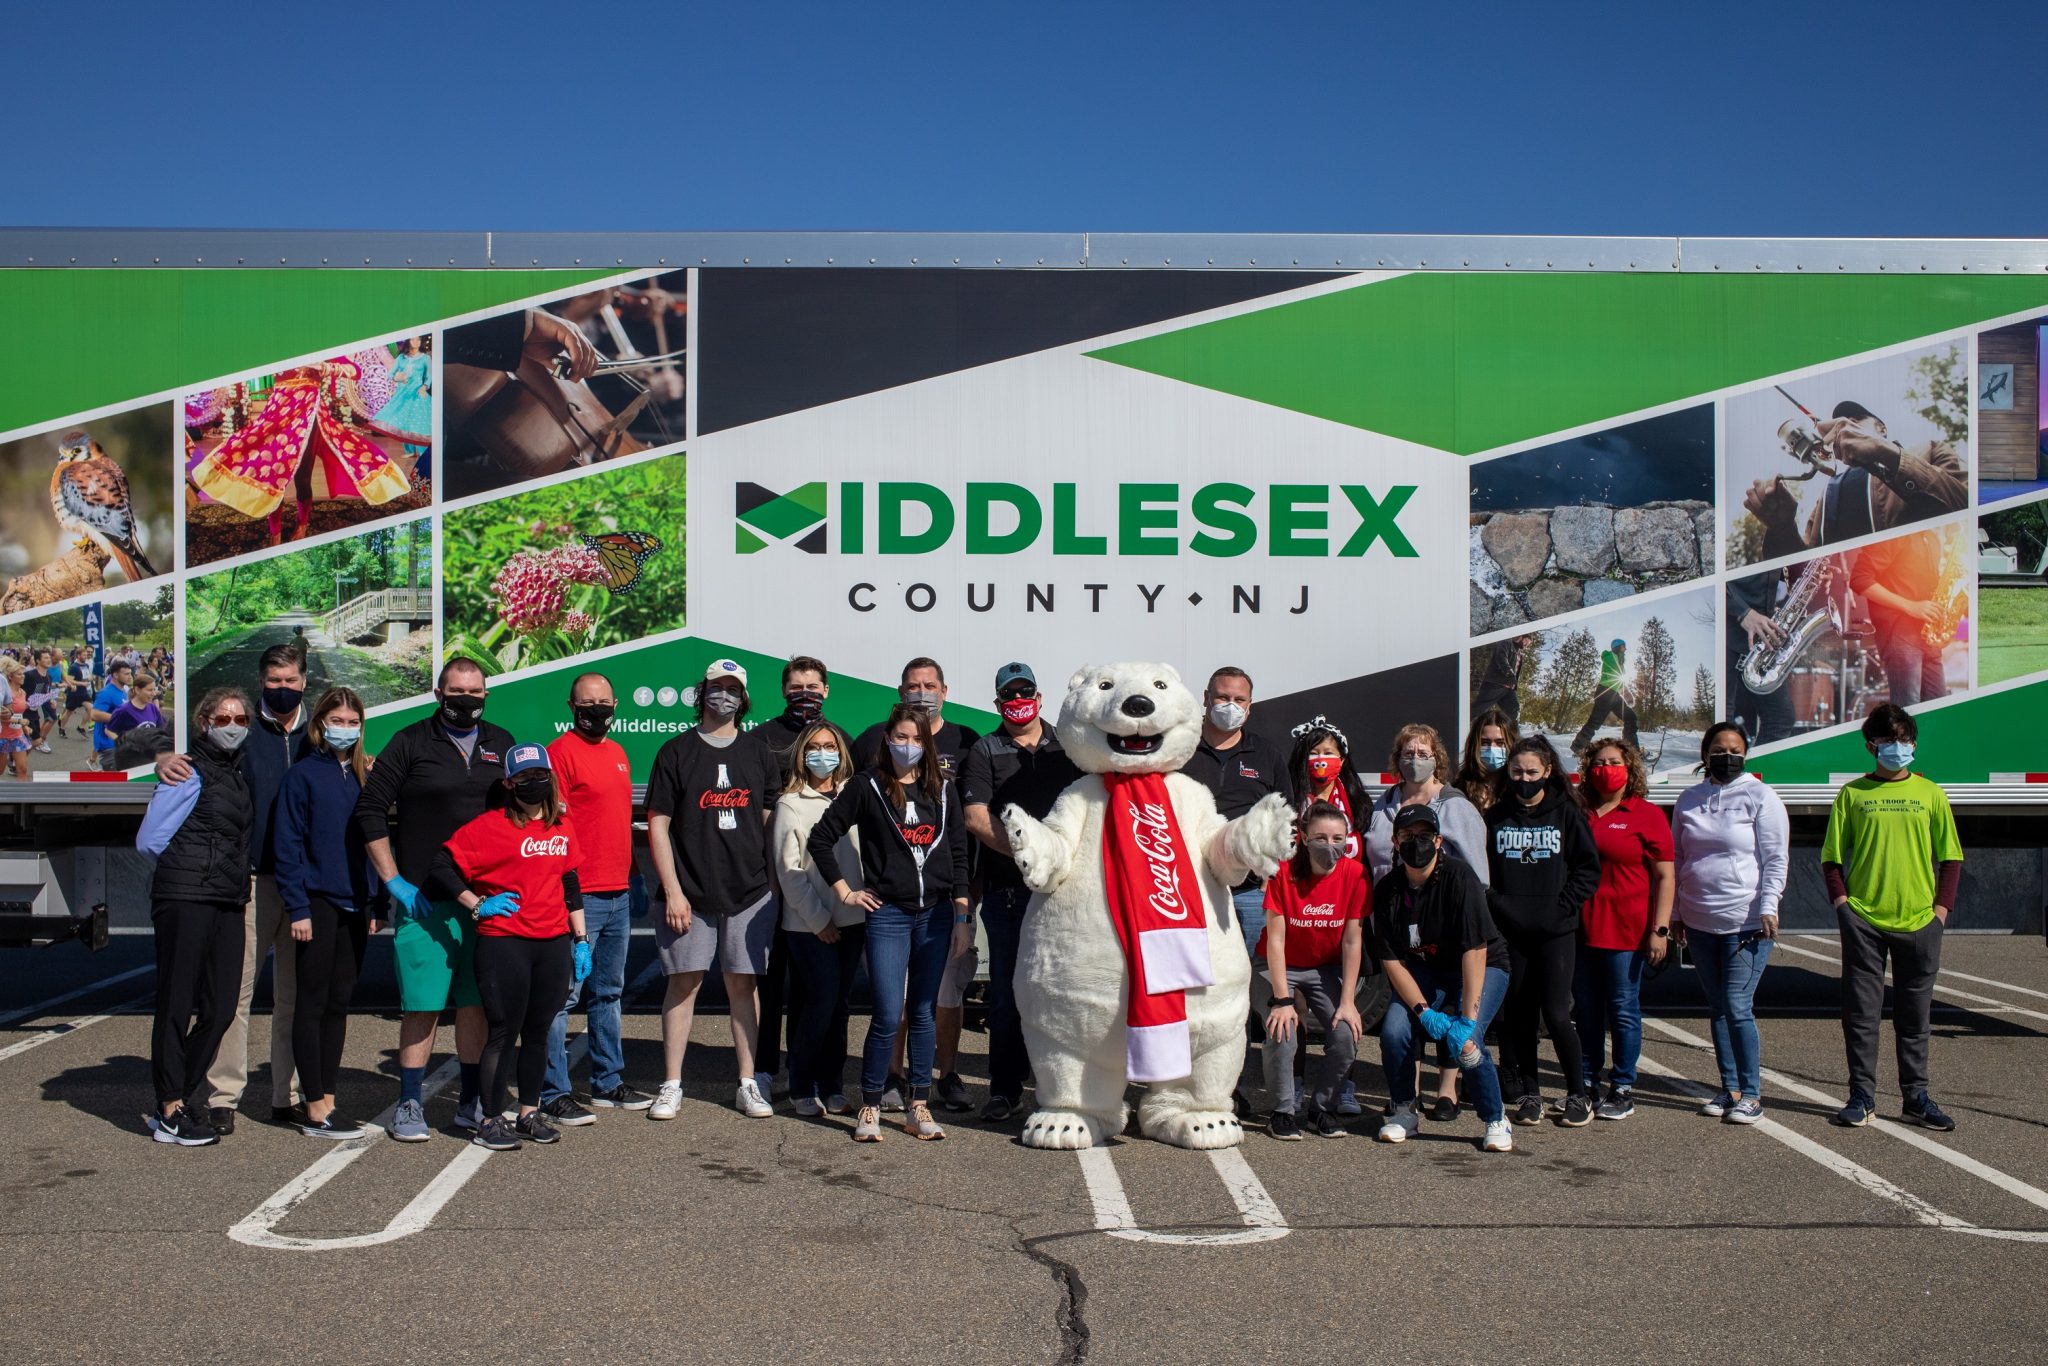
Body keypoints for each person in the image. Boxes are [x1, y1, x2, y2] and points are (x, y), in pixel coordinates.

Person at [157, 643, 312, 1135]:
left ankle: (284, 1095)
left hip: (305, 887)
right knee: (234, 996)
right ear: (261, 680)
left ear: (305, 681)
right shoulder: (242, 734)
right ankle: (224, 1095)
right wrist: (165, 757)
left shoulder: (319, 732)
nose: (281, 688)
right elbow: (200, 760)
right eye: (273, 680)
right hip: (249, 881)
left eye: (290, 680)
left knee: (294, 996)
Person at [353, 657, 510, 1142]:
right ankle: (409, 1104)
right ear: (439, 694)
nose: (468, 700)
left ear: (486, 694)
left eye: (476, 692)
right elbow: (370, 810)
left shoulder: (500, 743)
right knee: (421, 1007)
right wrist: (394, 881)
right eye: (457, 692)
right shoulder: (411, 741)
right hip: (425, 902)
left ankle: (467, 1104)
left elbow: (523, 812)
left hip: (484, 904)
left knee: (474, 1005)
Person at [807, 704, 973, 1143]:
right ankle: (871, 1104)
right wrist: (845, 890)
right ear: (887, 740)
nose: (908, 746)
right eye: (900, 738)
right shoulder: (867, 787)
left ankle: (919, 1104)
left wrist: (961, 915)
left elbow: (958, 854)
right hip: (889, 916)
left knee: (922, 1012)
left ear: (928, 744)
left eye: (917, 740)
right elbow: (820, 839)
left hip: (936, 916)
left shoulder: (943, 790)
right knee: (885, 1013)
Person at [431, 744, 591, 1150]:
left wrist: (581, 938)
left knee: (538, 1032)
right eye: (523, 778)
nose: (533, 783)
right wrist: (478, 903)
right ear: (509, 783)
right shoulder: (490, 826)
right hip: (506, 943)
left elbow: (570, 883)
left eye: (540, 775)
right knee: (504, 1031)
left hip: (553, 943)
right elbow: (442, 865)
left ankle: (528, 1113)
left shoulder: (560, 826)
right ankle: (488, 1119)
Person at [643, 658, 779, 1122]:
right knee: (685, 984)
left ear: (744, 698)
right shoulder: (676, 751)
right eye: (716, 688)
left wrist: (774, 887)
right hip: (689, 895)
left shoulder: (758, 752)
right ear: (702, 693)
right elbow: (657, 826)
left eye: (733, 689)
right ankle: (672, 1084)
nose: (724, 696)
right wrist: (673, 890)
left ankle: (747, 1083)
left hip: (749, 892)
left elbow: (769, 822)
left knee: (744, 984)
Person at [1823, 704, 1962, 1131]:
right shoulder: (1852, 794)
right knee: (1862, 1016)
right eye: (1887, 741)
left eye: (1904, 740)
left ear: (1914, 744)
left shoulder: (1931, 793)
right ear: (1870, 746)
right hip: (1864, 921)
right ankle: (1862, 1097)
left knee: (1915, 1017)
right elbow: (1831, 860)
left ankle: (1915, 1098)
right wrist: (1845, 908)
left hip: (1920, 923)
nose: (1897, 748)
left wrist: (1939, 914)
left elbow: (1951, 858)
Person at [960, 661, 1082, 1121]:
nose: (1017, 700)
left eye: (1024, 691)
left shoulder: (1066, 746)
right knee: (1009, 996)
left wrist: (1057, 862)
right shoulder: (986, 750)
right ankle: (1005, 1089)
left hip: (1063, 894)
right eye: (1008, 694)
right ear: (997, 703)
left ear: (1040, 695)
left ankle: (1060, 1088)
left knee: (1063, 993)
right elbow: (975, 817)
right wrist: (1031, 856)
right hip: (1009, 892)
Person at [136, 687, 255, 1146]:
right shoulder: (186, 771)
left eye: (240, 719)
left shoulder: (236, 773)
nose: (232, 726)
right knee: (176, 1001)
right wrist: (188, 872)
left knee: (221, 1005)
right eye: (222, 717)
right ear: (204, 721)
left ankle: (179, 1096)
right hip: (185, 898)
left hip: (226, 898)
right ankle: (170, 1106)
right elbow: (149, 840)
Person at [539, 673, 651, 1124]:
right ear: (571, 706)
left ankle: (607, 1081)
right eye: (588, 703)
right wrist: (569, 898)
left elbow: (618, 821)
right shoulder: (558, 755)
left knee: (609, 992)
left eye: (604, 702)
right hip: (578, 895)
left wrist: (636, 877)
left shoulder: (618, 753)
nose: (596, 710)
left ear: (616, 704)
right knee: (563, 997)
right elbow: (553, 827)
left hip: (618, 890)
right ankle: (553, 1091)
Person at [1363, 722, 1490, 1122]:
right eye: (1407, 752)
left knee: (1451, 1006)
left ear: (1437, 758)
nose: (1414, 759)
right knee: (1409, 1012)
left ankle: (1448, 1090)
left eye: (1423, 752)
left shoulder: (1455, 806)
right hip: (1396, 920)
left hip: (1444, 927)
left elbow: (1477, 874)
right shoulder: (1384, 803)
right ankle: (1409, 1092)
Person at [272, 688, 383, 1139]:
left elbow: (375, 843)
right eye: (337, 719)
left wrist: (376, 902)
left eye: (353, 721)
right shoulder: (302, 776)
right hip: (315, 903)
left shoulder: (364, 777)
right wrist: (297, 906)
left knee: (339, 1003)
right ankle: (313, 1104)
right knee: (311, 1003)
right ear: (319, 723)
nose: (345, 728)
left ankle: (330, 1096)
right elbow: (288, 845)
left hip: (356, 904)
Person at [1371, 804, 1514, 1153]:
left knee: (1467, 1042)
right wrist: (1423, 1011)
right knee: (1394, 1030)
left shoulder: (1459, 878)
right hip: (1425, 969)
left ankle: (1496, 1119)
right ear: (1395, 840)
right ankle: (1405, 1109)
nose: (1415, 842)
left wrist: (1466, 1016)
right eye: (1407, 836)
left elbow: (1475, 950)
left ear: (1438, 841)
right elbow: (1392, 961)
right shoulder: (1388, 890)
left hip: (1481, 964)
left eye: (1424, 836)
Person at [1671, 722, 1788, 1125]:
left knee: (1738, 1006)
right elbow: (1679, 859)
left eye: (1735, 749)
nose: (1727, 756)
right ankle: (1730, 1088)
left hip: (1747, 922)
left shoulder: (1760, 796)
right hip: (1700, 920)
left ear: (1746, 754)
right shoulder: (1688, 800)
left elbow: (1775, 857)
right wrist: (1676, 914)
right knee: (1718, 1006)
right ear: (1705, 754)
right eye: (1719, 749)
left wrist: (1769, 905)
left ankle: (1752, 1094)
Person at [1484, 736, 1601, 1127]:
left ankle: (1577, 1094)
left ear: (1548, 771)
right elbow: (1485, 875)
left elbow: (1588, 869)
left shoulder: (1566, 813)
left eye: (1532, 772)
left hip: (1555, 932)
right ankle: (1530, 1094)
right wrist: (1500, 906)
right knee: (1520, 1017)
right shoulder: (1496, 817)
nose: (1524, 779)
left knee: (1555, 1014)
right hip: (1512, 932)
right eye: (1517, 772)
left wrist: (1562, 906)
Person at [1572, 737, 1674, 1120]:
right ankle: (1586, 1080)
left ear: (1629, 768)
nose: (1605, 768)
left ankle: (1623, 1086)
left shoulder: (1646, 815)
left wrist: (1659, 930)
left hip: (1627, 934)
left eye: (1613, 761)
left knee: (1623, 1010)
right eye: (1597, 762)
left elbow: (1665, 876)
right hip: (1581, 931)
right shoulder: (1579, 811)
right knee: (1586, 1010)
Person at [750, 655, 834, 1102]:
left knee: (808, 983)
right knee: (770, 977)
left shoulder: (834, 738)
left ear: (826, 691)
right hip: (772, 879)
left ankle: (804, 1068)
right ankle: (764, 1067)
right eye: (797, 687)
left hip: (816, 882)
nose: (806, 694)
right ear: (784, 691)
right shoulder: (762, 740)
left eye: (813, 687)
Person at [1258, 802, 1367, 1139]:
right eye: (1320, 836)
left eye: (1337, 838)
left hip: (1323, 967)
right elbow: (1275, 940)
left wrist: (1348, 1001)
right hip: (1277, 964)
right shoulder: (1283, 871)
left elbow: (1352, 942)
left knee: (1345, 1034)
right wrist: (1281, 999)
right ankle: (1282, 1111)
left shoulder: (1355, 874)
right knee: (1283, 1030)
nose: (1329, 844)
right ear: (1303, 837)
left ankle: (1321, 1108)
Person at [773, 719, 864, 1117]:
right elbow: (789, 872)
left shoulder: (855, 796)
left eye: (830, 745)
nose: (822, 753)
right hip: (810, 927)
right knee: (819, 1002)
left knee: (839, 1006)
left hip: (853, 920)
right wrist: (818, 920)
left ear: (841, 753)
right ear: (801, 754)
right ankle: (801, 1083)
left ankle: (832, 1085)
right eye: (814, 746)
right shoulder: (790, 804)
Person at [1744, 401, 1967, 561]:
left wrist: (1886, 453)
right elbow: (1802, 572)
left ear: (1882, 429)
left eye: (1855, 421)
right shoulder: (1826, 496)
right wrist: (1783, 530)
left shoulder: (1929, 450)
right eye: (1838, 425)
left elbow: (1967, 509)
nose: (1844, 426)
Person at [1179, 666, 1293, 956]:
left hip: (1249, 891)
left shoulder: (1266, 754)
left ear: (1249, 706)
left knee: (1250, 974)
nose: (1231, 705)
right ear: (1205, 698)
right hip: (1188, 887)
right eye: (1222, 697)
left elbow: (1286, 820)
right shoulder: (1179, 748)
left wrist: (1273, 875)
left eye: (1239, 700)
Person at [1851, 529, 1953, 707]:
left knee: (1939, 710)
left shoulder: (1931, 537)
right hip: (1901, 635)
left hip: (1929, 634)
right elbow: (1859, 579)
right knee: (1908, 711)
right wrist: (1910, 606)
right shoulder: (1893, 533)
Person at [852, 658, 981, 780]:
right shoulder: (874, 737)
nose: (922, 693)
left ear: (943, 692)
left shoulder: (966, 741)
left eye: (930, 686)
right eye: (913, 687)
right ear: (901, 693)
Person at [1286, 716, 1369, 867]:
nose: (1320, 759)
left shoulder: (1357, 802)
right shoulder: (1290, 801)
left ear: (1341, 760)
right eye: (1313, 753)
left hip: (1346, 883)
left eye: (1328, 753)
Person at [1726, 568, 1796, 745]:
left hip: (1761, 636)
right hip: (1727, 626)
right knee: (1724, 721)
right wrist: (1742, 611)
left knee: (1780, 718)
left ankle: (1753, 772)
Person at [1571, 638, 1638, 752]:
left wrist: (1625, 694)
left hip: (1613, 695)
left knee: (1630, 717)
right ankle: (1578, 748)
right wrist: (1627, 694)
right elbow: (1614, 677)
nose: (1625, 650)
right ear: (1616, 647)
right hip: (1605, 693)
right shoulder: (1611, 658)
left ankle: (1631, 750)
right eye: (1623, 647)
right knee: (1595, 722)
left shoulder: (1618, 661)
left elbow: (1618, 680)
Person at [1455, 708, 1518, 814]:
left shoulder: (1519, 788)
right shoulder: (1459, 790)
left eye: (1500, 743)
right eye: (1484, 742)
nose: (1492, 748)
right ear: (1474, 745)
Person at [1472, 634, 1534, 723]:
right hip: (1495, 684)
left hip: (1509, 689)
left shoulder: (1520, 655)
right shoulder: (1506, 644)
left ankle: (1508, 733)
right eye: (1527, 641)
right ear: (1521, 637)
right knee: (1478, 709)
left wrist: (1514, 683)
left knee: (1514, 710)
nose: (1527, 644)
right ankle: (1454, 724)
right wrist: (1509, 673)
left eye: (1529, 643)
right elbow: (1501, 658)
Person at [89, 658, 133, 770]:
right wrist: (121, 718)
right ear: (115, 675)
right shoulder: (106, 693)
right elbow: (94, 715)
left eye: (130, 673)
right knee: (114, 779)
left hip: (118, 741)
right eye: (126, 674)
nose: (130, 676)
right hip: (107, 744)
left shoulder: (122, 691)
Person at [0, 659, 28, 780]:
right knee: (0, 770)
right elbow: (4, 717)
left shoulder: (22, 692)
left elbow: (13, 712)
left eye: (23, 673)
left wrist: (24, 726)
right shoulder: (6, 690)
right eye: (19, 674)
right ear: (10, 676)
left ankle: (23, 797)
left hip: (17, 735)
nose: (23, 676)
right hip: (3, 735)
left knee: (22, 769)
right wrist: (18, 722)